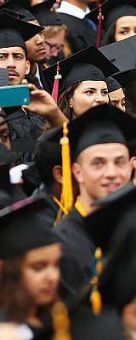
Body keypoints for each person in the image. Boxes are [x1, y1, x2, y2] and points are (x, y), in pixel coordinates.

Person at [54, 105, 136, 295]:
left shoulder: (130, 226)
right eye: (98, 164)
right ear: (78, 172)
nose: (112, 173)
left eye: (119, 162)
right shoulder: (62, 245)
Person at [0, 199, 62, 328]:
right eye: (39, 267)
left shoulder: (54, 315)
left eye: (55, 264)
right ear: (0, 269)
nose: (53, 277)